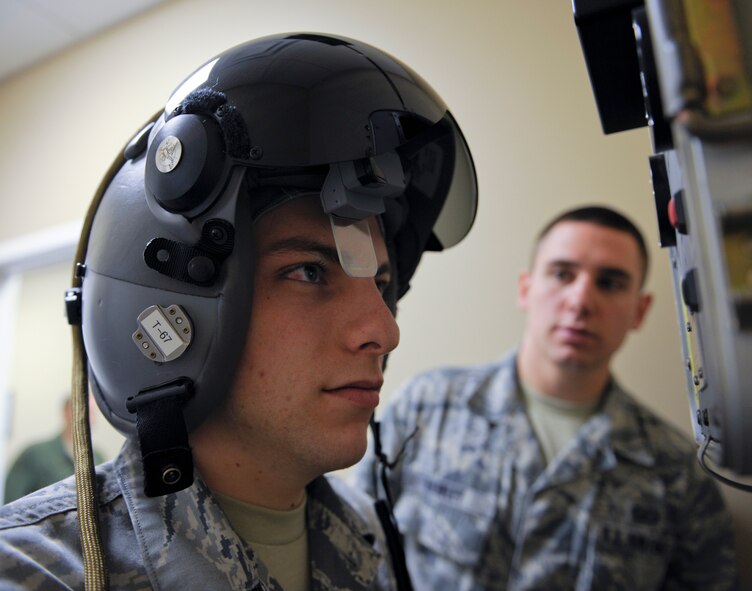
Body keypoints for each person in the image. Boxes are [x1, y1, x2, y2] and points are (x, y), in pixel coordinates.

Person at [0, 33, 477, 591]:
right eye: (309, 272)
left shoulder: (370, 543)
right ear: (172, 308)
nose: (384, 330)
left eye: (382, 283)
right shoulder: (36, 573)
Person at [354, 205, 739, 590]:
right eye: (561, 274)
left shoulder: (675, 472)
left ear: (640, 311)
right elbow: (356, 545)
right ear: (526, 289)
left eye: (610, 282)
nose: (580, 301)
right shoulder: (427, 409)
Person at [3, 396, 105, 503]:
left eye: (92, 413)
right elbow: (11, 501)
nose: (87, 417)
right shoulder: (35, 454)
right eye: (83, 410)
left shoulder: (98, 459)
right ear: (67, 412)